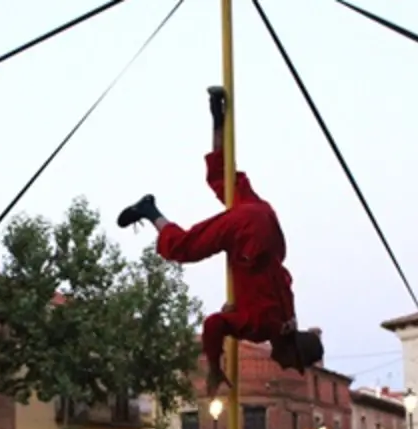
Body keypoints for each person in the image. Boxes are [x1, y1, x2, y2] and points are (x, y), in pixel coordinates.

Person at [115, 86, 323, 396]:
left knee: (221, 178)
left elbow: (280, 280)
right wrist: (215, 366)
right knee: (182, 248)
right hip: (248, 237)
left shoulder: (286, 316)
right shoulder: (262, 328)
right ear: (292, 350)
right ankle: (150, 209)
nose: (285, 367)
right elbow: (213, 324)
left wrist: (237, 307)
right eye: (292, 364)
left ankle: (217, 117)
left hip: (265, 221)